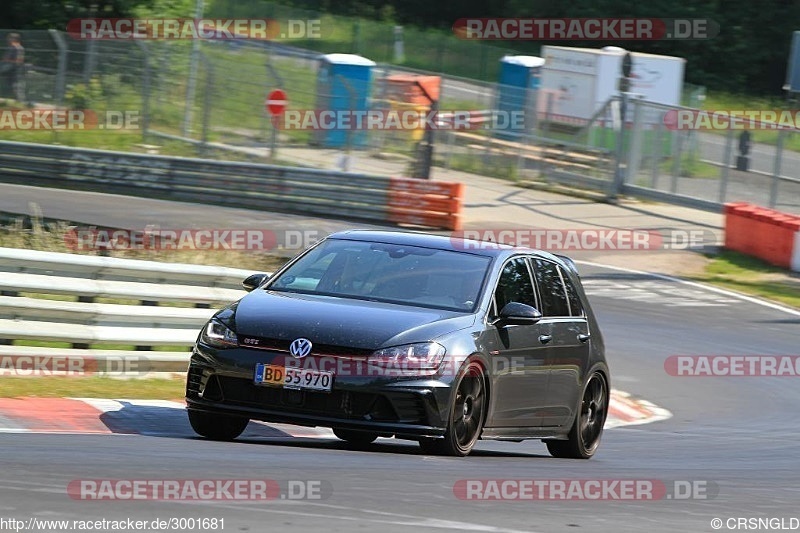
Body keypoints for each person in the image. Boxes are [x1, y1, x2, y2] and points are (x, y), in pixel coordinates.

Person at [1, 33, 25, 102]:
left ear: (14, 39)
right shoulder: (11, 47)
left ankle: (20, 101)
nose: (8, 40)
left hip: (14, 69)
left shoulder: (18, 47)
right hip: (9, 68)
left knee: (16, 86)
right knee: (12, 85)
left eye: (10, 38)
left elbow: (18, 60)